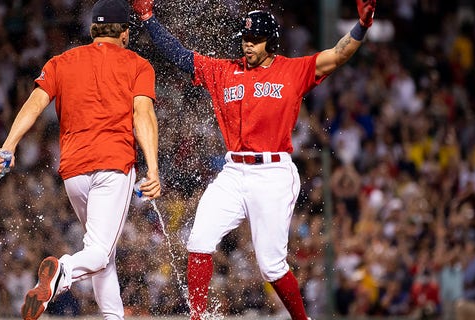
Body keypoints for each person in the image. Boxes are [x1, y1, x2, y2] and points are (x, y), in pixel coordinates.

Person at [131, 0, 376, 319]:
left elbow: (338, 54)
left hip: (273, 173)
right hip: (234, 171)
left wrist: (362, 26)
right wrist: (148, 17)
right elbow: (177, 54)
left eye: (255, 39)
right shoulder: (223, 70)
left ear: (271, 41)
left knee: (271, 266)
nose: (247, 44)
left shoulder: (293, 69)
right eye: (245, 39)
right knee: (199, 240)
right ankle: (199, 316)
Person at [0, 0, 161, 319]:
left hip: (74, 172)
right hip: (113, 165)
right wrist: (152, 167)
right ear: (124, 32)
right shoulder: (138, 64)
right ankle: (62, 273)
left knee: (102, 253)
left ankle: (113, 316)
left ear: (93, 29)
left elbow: (35, 103)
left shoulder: (62, 61)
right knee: (96, 253)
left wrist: (9, 146)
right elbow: (143, 115)